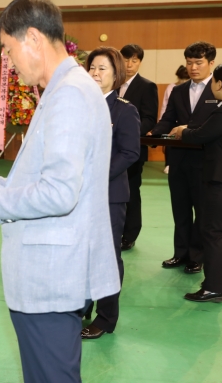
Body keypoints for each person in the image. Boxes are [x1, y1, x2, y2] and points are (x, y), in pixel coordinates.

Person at [0, 0, 120, 382]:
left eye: (8, 49)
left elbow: (58, 192)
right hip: (54, 272)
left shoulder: (69, 94)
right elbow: (46, 176)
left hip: (51, 277)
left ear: (34, 39)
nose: (7, 60)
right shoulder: (63, 88)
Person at [169, 62, 222, 302]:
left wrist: (182, 132)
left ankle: (214, 287)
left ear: (218, 83)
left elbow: (201, 135)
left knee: (213, 232)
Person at [81, 47, 140, 339]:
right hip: (78, 195)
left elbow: (130, 152)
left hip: (109, 195)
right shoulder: (80, 105)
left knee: (106, 257)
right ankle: (82, 306)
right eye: (92, 67)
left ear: (116, 74)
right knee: (81, 253)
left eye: (102, 68)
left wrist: (95, 176)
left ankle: (106, 318)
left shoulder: (124, 110)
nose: (95, 73)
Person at [151, 42, 218, 275]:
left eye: (198, 63)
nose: (193, 67)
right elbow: (167, 119)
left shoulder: (218, 90)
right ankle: (180, 253)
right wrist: (153, 132)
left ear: (211, 63)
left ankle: (196, 256)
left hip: (204, 160)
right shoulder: (178, 91)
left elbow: (216, 125)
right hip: (178, 159)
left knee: (201, 210)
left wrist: (189, 128)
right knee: (180, 209)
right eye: (189, 63)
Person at [118, 44, 158, 251]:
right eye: (126, 60)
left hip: (133, 149)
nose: (130, 64)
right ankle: (115, 230)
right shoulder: (112, 84)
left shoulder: (147, 86)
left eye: (135, 60)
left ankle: (130, 234)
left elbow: (150, 119)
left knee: (131, 192)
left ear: (140, 62)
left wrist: (128, 132)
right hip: (111, 150)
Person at [161, 66, 190, 174]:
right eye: (181, 79)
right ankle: (168, 163)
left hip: (186, 122)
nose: (183, 82)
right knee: (170, 140)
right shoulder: (172, 88)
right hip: (173, 120)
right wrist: (161, 123)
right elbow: (165, 106)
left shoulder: (190, 87)